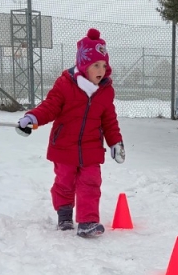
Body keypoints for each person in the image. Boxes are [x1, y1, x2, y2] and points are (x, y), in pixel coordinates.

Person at [15, 28, 125, 238]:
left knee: (91, 183)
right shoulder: (65, 85)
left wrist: (115, 142)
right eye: (96, 65)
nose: (101, 70)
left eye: (104, 65)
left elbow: (110, 121)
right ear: (84, 65)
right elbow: (50, 107)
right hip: (64, 145)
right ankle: (64, 215)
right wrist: (32, 118)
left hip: (91, 148)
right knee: (65, 182)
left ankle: (88, 221)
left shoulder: (106, 91)